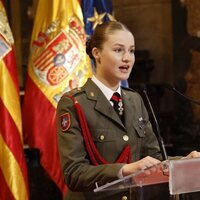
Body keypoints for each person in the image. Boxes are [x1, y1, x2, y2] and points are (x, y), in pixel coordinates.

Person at [56, 21, 200, 200]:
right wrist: (125, 169)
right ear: (97, 53)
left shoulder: (135, 100)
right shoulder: (74, 103)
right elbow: (74, 173)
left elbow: (154, 158)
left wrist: (184, 163)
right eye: (118, 50)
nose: (127, 58)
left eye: (131, 51)